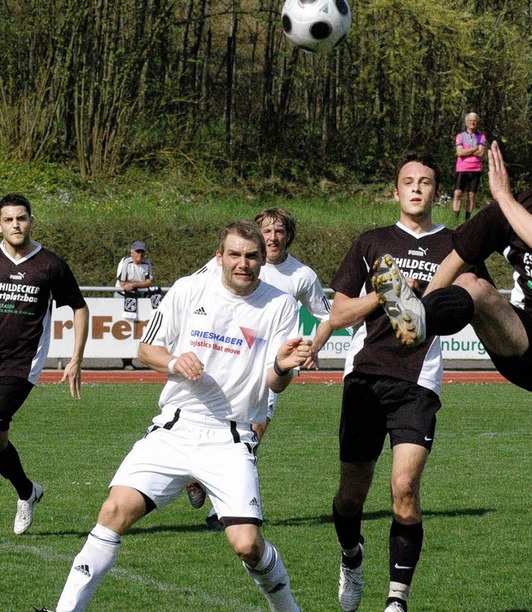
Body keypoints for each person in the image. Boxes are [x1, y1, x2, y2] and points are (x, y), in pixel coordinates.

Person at [374, 118, 532, 611]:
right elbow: (461, 251)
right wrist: (420, 307)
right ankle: (422, 318)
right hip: (529, 339)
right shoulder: (521, 204)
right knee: (473, 286)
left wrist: (502, 198)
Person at [47, 221, 309, 612]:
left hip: (230, 436)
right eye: (234, 255)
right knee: (113, 511)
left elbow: (275, 382)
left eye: (251, 256)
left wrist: (284, 367)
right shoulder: (189, 289)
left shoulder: (281, 305)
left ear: (262, 260)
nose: (243, 264)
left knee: (247, 545)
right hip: (176, 426)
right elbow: (145, 349)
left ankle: (288, 609)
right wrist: (173, 360)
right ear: (219, 257)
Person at [328, 152, 486, 612]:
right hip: (365, 376)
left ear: (438, 192)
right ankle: (351, 556)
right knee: (350, 495)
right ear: (395, 193)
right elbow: (338, 314)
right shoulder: (371, 243)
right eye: (408, 182)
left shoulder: (456, 246)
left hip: (419, 381)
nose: (417, 188)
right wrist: (386, 294)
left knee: (404, 490)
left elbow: (479, 301)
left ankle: (397, 600)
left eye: (426, 182)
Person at [187, 207, 335, 529]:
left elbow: (326, 317)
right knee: (210, 424)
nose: (272, 237)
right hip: (225, 359)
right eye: (266, 231)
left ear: (288, 236)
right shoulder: (240, 261)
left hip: (269, 366)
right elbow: (195, 291)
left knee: (252, 433)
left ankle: (221, 508)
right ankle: (196, 476)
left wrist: (314, 347)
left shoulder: (301, 276)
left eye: (279, 231)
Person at [0, 193, 89, 535]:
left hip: (22, 363)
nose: (16, 225)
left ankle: (26, 492)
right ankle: (27, 491)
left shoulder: (49, 264)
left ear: (31, 221)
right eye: (8, 219)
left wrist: (76, 357)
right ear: (1, 224)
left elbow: (79, 308)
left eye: (21, 218)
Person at [114, 240, 158, 369]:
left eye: (142, 252)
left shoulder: (147, 263)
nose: (140, 255)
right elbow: (122, 284)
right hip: (122, 297)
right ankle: (126, 361)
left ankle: (146, 358)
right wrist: (138, 284)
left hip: (139, 297)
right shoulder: (125, 262)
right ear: (132, 253)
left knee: (140, 328)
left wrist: (133, 285)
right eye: (137, 252)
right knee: (124, 327)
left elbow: (149, 282)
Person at [452, 112, 486, 222]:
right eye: (470, 120)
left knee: (471, 195)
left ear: (477, 122)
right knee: (458, 193)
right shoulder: (460, 136)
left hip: (476, 169)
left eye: (474, 120)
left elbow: (481, 154)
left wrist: (465, 151)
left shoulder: (481, 136)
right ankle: (455, 219)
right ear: (466, 122)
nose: (472, 122)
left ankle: (468, 219)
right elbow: (459, 152)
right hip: (462, 168)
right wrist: (475, 148)